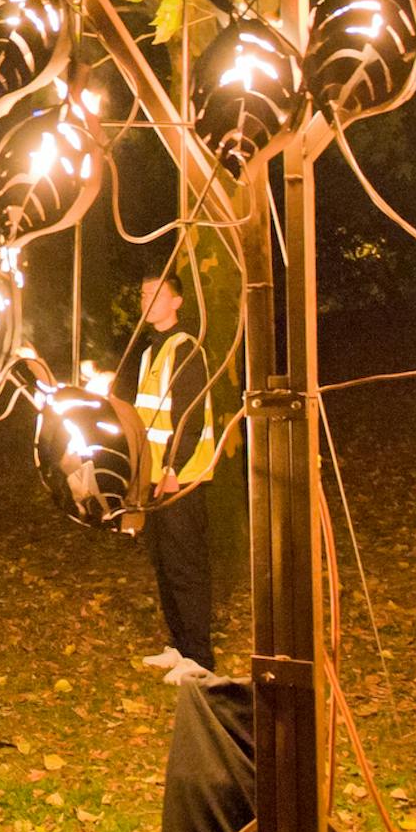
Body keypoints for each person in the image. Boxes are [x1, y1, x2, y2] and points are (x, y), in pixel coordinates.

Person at [128, 272, 245, 676]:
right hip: (153, 478)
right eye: (143, 294)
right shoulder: (149, 352)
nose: (146, 301)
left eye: (155, 294)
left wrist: (174, 469)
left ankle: (200, 658)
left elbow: (189, 416)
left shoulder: (186, 348)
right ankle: (178, 646)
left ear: (176, 302)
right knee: (163, 562)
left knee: (186, 565)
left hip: (180, 478)